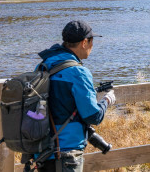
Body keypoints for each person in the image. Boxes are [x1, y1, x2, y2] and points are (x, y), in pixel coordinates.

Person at [36, 21, 115, 172]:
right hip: (66, 153)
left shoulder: (44, 65)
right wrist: (108, 99)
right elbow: (94, 116)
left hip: (42, 150)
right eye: (92, 41)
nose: (92, 46)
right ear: (85, 42)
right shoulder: (78, 73)